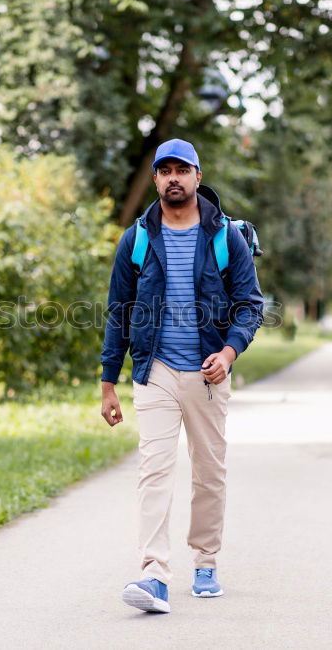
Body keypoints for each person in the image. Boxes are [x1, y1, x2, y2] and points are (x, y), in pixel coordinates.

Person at [100, 138, 264, 613]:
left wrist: (230, 353)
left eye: (182, 169)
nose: (174, 177)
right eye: (164, 170)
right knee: (154, 470)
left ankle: (206, 561)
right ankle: (154, 576)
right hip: (154, 372)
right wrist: (109, 382)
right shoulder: (137, 238)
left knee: (209, 472)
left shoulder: (224, 236)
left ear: (197, 175)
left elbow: (250, 305)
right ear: (155, 179)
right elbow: (120, 312)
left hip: (209, 374)